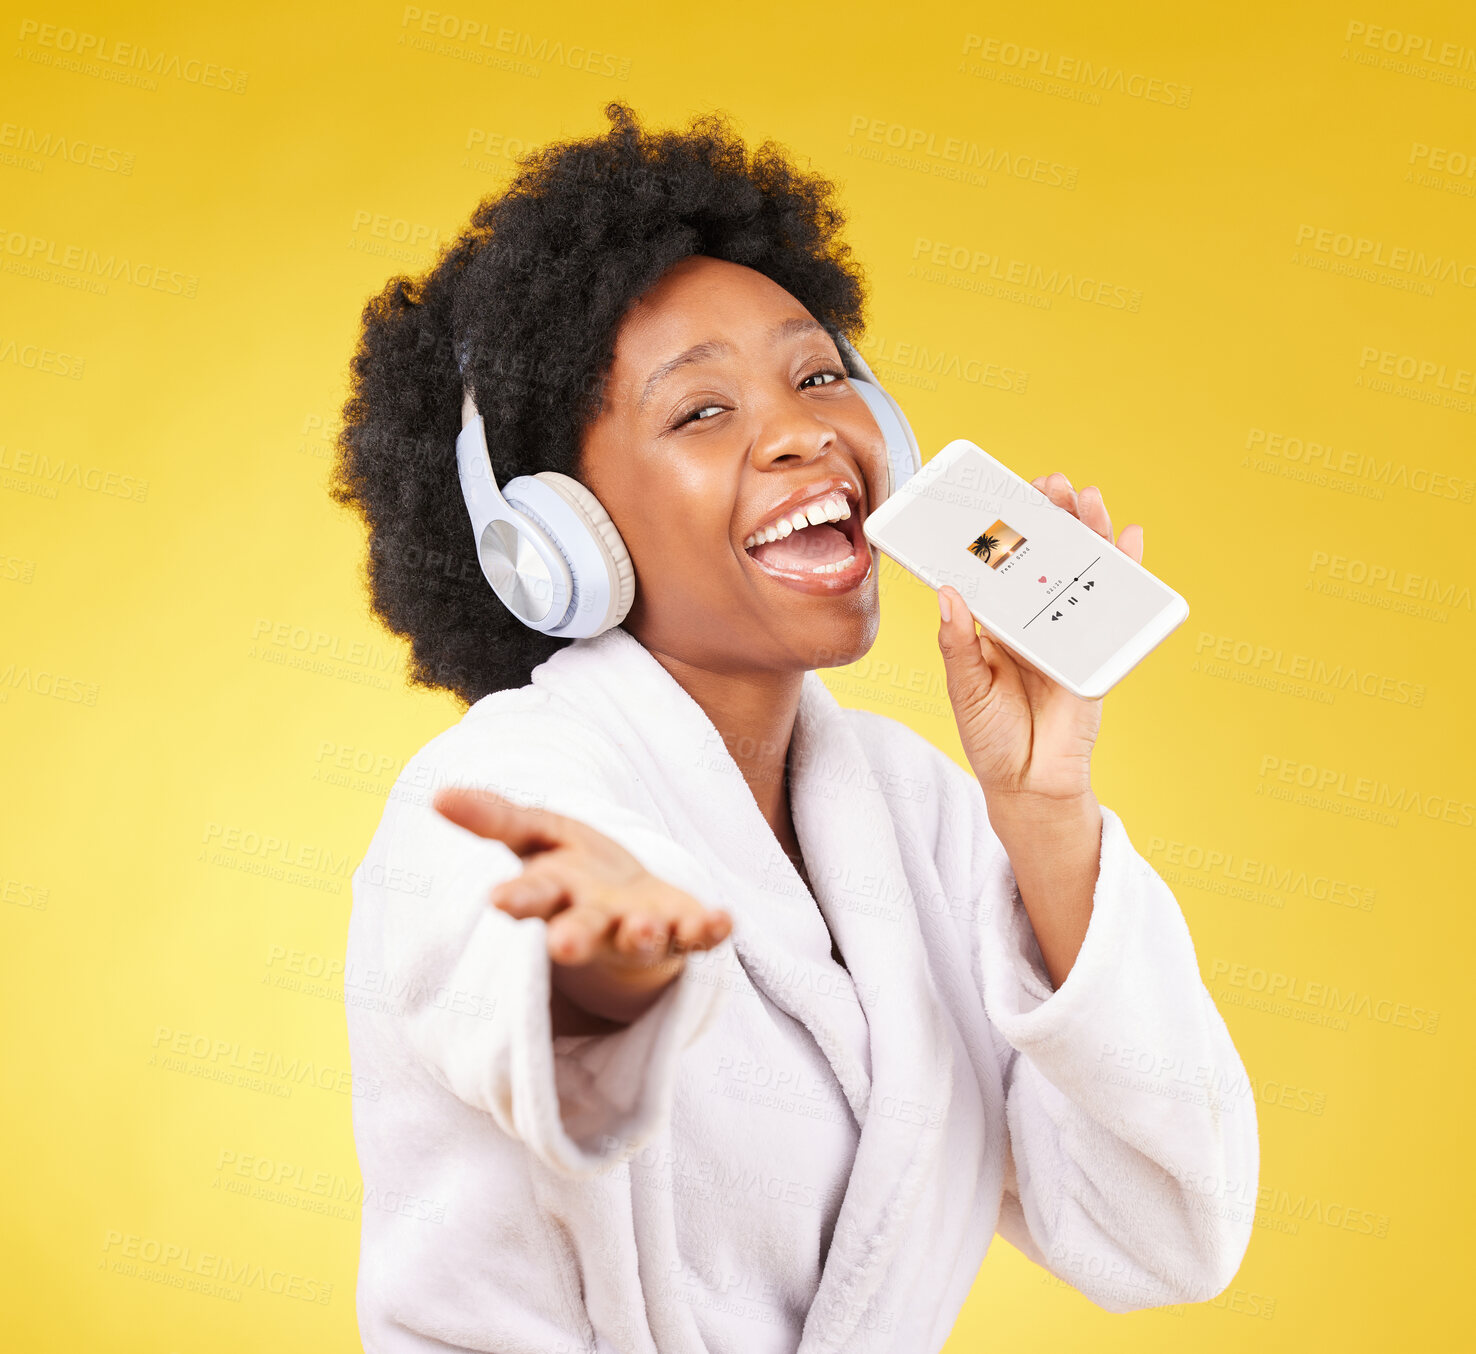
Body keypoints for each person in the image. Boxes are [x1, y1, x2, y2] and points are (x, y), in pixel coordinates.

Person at [332, 101, 1258, 1354]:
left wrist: (1047, 817)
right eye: (700, 412)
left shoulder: (908, 808)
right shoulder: (500, 787)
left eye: (820, 373)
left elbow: (1164, 1235)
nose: (804, 430)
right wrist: (610, 977)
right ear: (557, 540)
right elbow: (529, 1031)